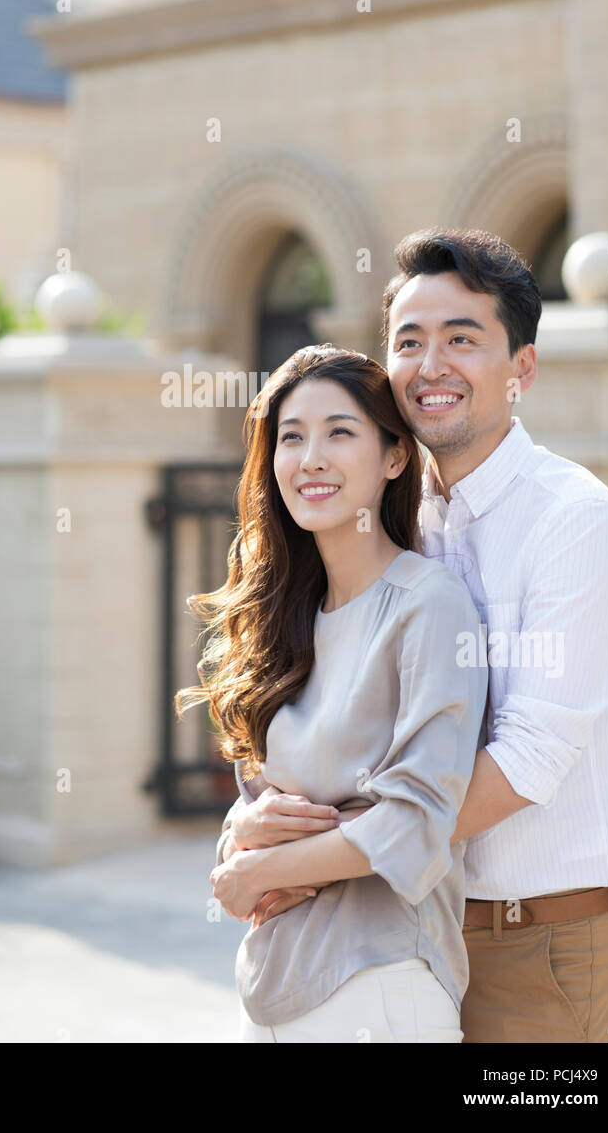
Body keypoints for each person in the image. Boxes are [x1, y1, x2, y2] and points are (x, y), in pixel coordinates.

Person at [219, 227, 608, 1044]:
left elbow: (529, 759)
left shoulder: (573, 519)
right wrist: (259, 828)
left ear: (521, 368)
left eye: (463, 338)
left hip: (537, 941)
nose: (431, 364)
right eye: (409, 341)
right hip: (405, 923)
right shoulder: (399, 519)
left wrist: (304, 858)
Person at [178, 346, 487, 1042]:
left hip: (380, 984)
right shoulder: (283, 617)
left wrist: (257, 872)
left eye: (340, 432)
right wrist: (241, 847)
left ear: (394, 458)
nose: (311, 457)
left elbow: (418, 818)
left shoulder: (427, 605)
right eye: (292, 436)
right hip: (271, 981)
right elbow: (256, 804)